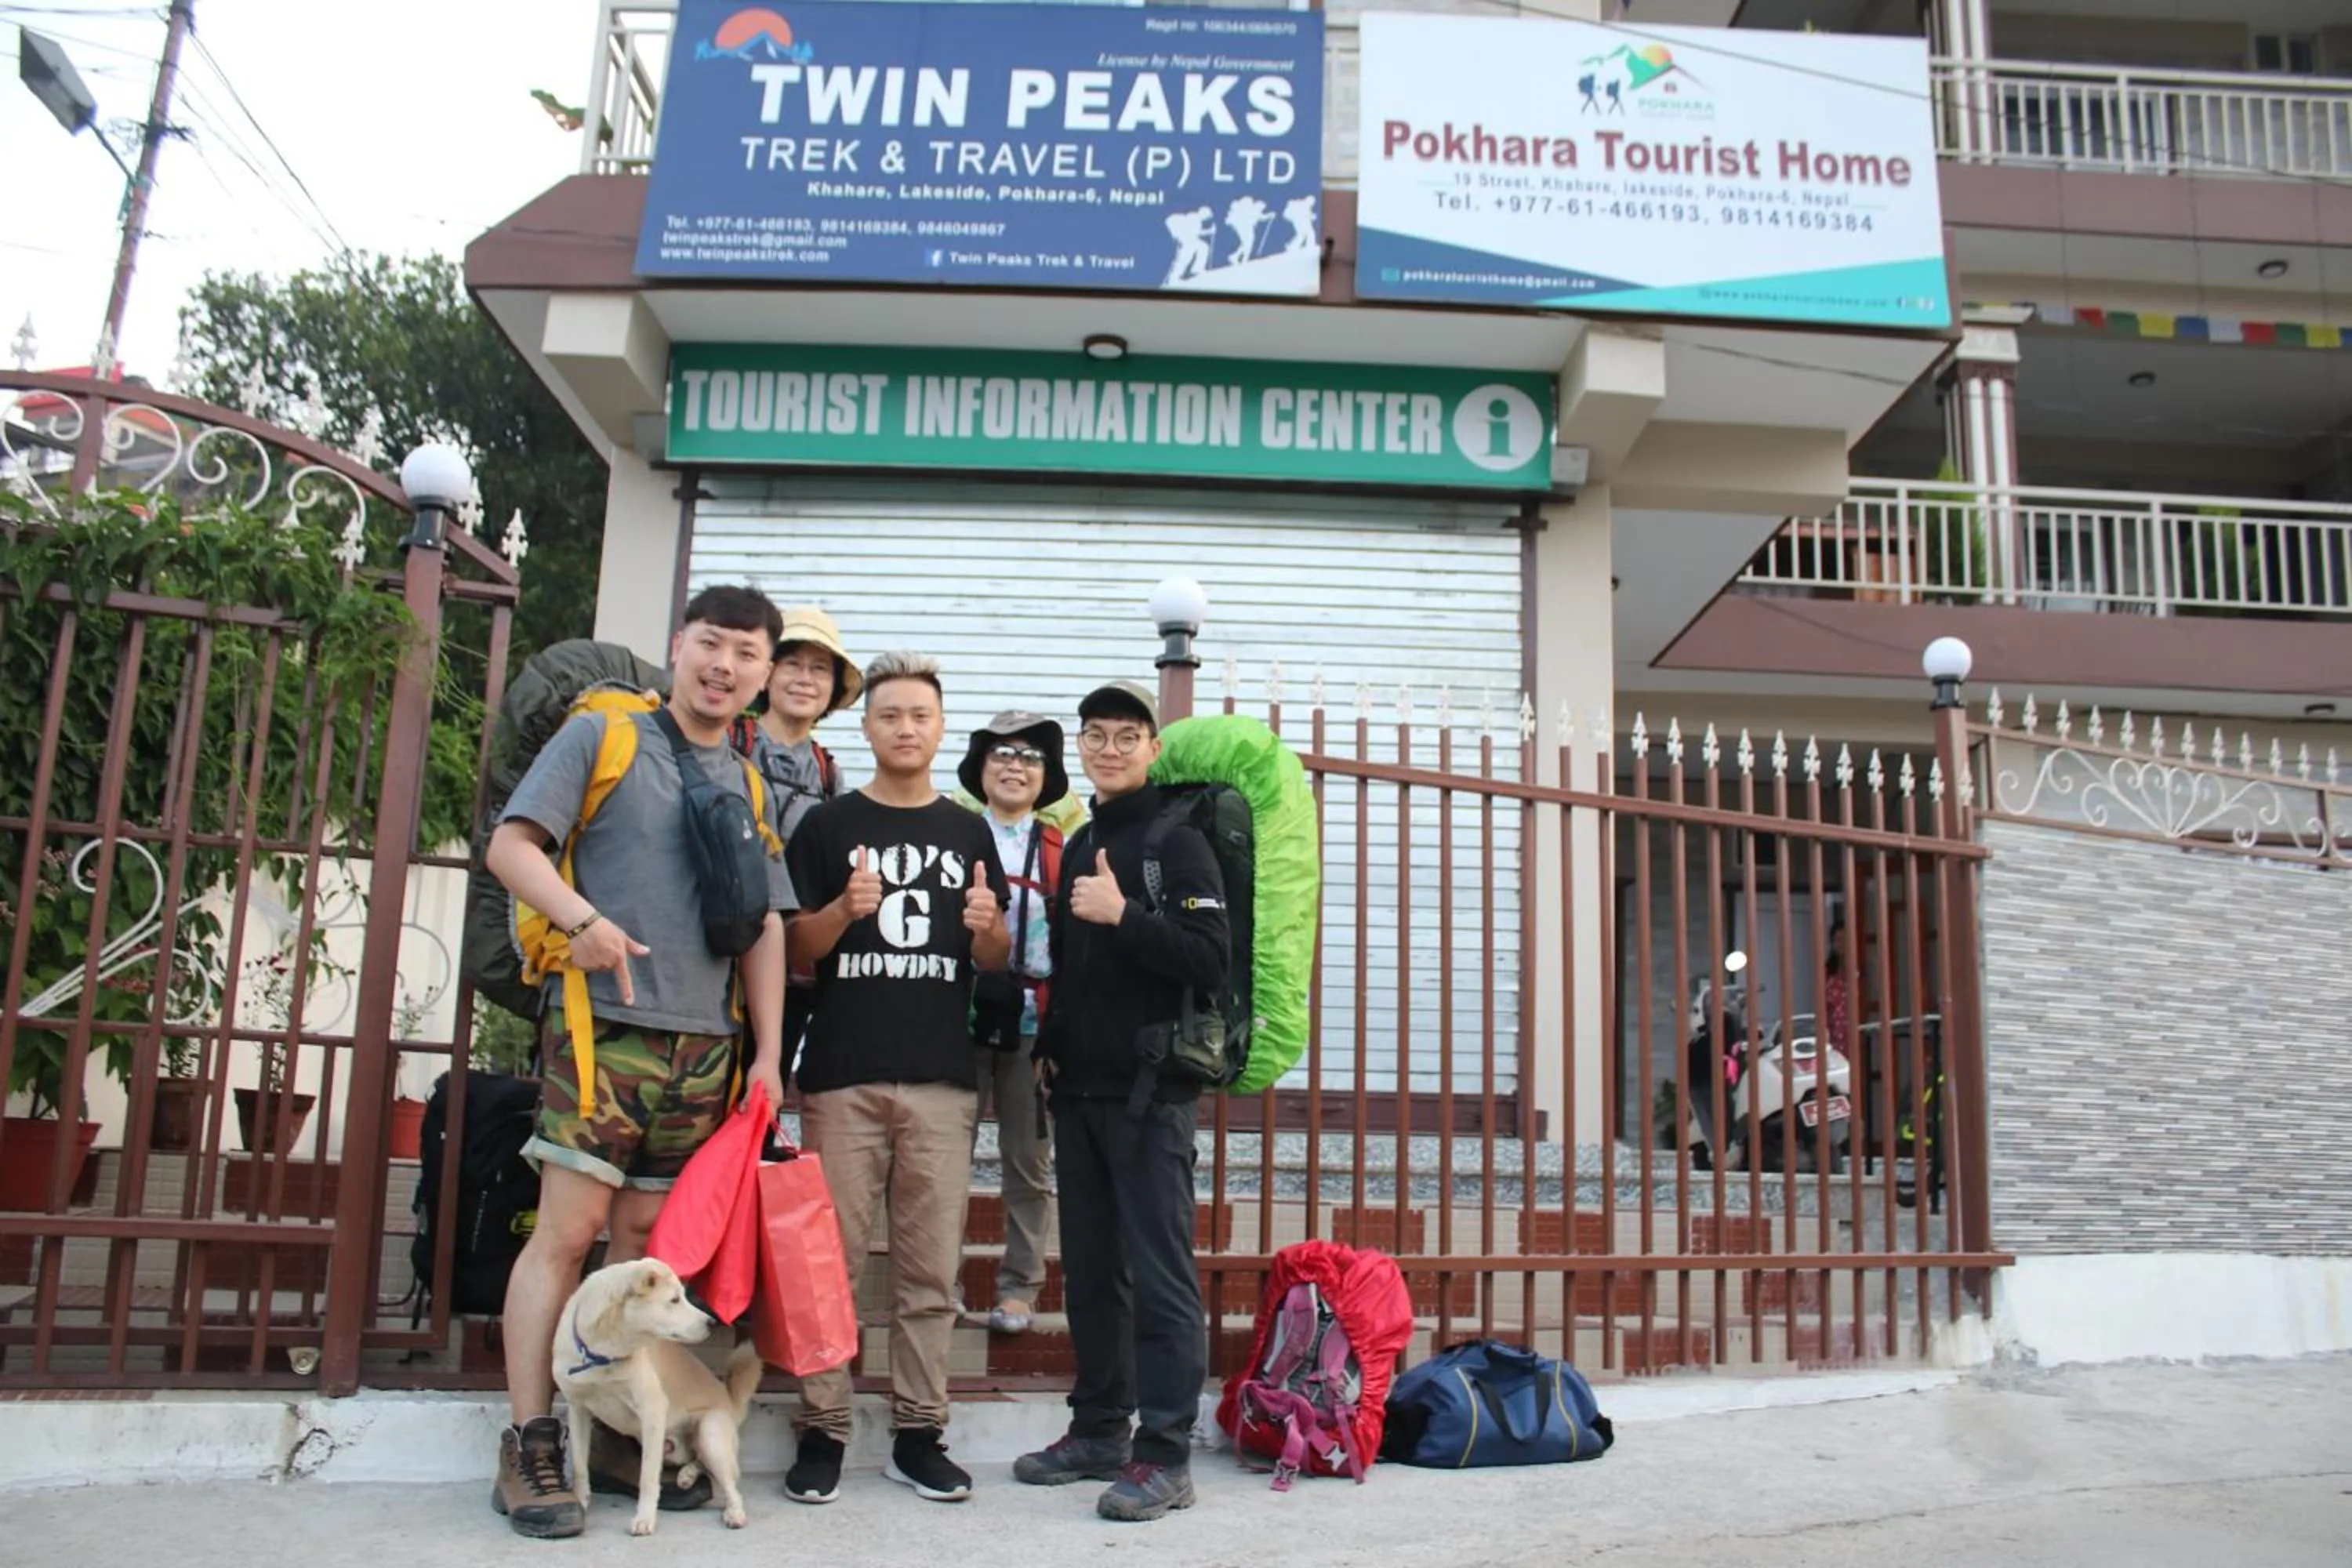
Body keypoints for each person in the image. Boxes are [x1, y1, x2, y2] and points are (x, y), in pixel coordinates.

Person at [482, 585, 795, 1540]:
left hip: (707, 1050)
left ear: (764, 674)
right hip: (601, 1027)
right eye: (711, 643)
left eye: (747, 653)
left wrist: (770, 1054)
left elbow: (765, 925)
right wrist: (582, 921)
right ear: (679, 645)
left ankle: (617, 1434)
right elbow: (510, 844)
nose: (725, 666)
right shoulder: (605, 737)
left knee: (645, 1249)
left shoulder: (746, 780)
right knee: (567, 1236)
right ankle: (533, 1437)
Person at [781, 652, 1009, 1506]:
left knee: (928, 1270)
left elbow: (993, 958)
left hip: (944, 1082)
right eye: (889, 715)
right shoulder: (827, 827)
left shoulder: (968, 830)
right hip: (842, 1076)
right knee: (826, 1265)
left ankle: (920, 1429)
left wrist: (988, 932)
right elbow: (796, 951)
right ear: (866, 726)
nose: (906, 727)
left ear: (941, 726)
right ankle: (824, 1428)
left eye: (920, 714)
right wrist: (844, 910)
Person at [1016, 680, 1228, 1523]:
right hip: (1081, 1090)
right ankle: (1099, 1427)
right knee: (1093, 1274)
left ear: (1153, 747)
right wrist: (1048, 1050)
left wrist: (1124, 911)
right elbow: (1074, 970)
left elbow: (1208, 957)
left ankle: (1167, 1452)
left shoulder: (1178, 842)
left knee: (1162, 1277)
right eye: (1096, 734)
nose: (1109, 748)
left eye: (1126, 734)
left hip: (1152, 1094)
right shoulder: (1080, 836)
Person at [954, 710, 1070, 1337]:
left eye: (1030, 757)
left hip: (1032, 1023)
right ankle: (937, 1282)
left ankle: (1020, 1288)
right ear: (982, 769)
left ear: (1045, 776)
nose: (1014, 766)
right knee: (943, 1159)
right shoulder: (955, 834)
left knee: (1028, 1161)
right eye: (1002, 753)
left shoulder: (1059, 848)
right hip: (958, 1018)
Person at [740, 605, 863, 1083]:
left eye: (819, 669)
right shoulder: (729, 739)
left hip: (789, 968)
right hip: (717, 959)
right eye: (793, 664)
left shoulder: (829, 773)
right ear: (768, 672)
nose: (805, 679)